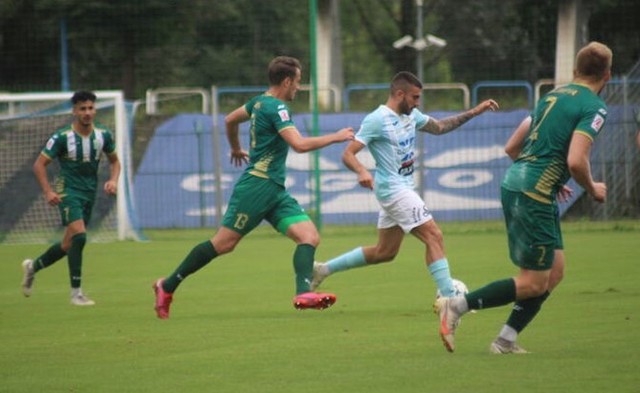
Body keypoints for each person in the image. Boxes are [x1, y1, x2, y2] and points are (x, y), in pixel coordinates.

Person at [434, 41, 612, 353]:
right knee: (532, 282)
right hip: (535, 192)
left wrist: (548, 176)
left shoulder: (551, 97)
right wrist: (592, 186)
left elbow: (512, 147)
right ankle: (456, 306)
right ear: (607, 76)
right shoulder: (593, 107)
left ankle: (506, 340)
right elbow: (575, 160)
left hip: (522, 182)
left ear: (574, 70)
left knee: (553, 273)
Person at [152, 56, 354, 319]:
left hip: (275, 190)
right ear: (286, 81)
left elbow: (229, 120)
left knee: (309, 236)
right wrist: (336, 137)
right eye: (298, 82)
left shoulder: (258, 101)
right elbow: (299, 145)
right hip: (257, 187)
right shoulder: (278, 108)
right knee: (223, 244)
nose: (299, 88)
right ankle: (166, 286)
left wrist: (236, 148)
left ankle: (303, 293)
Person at [310, 71, 499, 303]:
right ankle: (451, 301)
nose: (417, 103)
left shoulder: (413, 116)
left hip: (402, 189)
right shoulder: (377, 119)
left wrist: (476, 111)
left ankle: (323, 270)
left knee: (385, 252)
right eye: (415, 97)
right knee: (434, 236)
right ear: (400, 94)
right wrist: (361, 171)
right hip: (394, 190)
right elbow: (348, 154)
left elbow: (439, 127)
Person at [21, 90, 121, 306]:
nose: (87, 112)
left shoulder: (103, 135)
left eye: (91, 108)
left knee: (68, 244)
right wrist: (48, 191)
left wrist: (113, 180)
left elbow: (115, 161)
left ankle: (33, 267)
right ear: (74, 111)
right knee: (81, 236)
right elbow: (39, 165)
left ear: (95, 110)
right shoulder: (62, 137)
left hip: (89, 192)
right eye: (82, 109)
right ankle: (76, 293)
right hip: (68, 191)